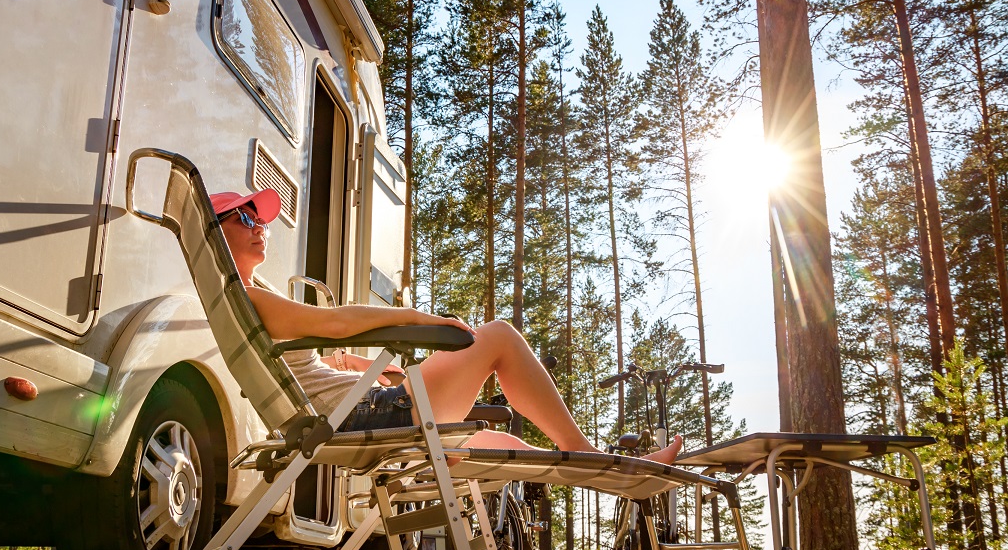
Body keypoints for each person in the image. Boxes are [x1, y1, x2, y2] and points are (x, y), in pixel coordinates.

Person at [209, 187, 682, 465]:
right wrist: (418, 318)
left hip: (362, 408)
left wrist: (359, 368)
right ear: (217, 230)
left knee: (507, 446)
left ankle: (614, 472)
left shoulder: (253, 296)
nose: (260, 225)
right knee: (496, 336)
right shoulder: (251, 299)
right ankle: (589, 457)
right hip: (366, 416)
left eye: (263, 218)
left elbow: (318, 359)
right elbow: (337, 322)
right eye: (245, 216)